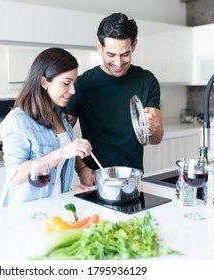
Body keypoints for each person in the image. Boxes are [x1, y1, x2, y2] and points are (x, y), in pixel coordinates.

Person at [67, 12, 164, 186]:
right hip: (94, 179)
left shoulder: (147, 81)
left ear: (134, 45)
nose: (118, 63)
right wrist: (81, 168)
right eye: (111, 55)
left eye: (125, 54)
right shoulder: (82, 84)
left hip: (133, 179)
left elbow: (156, 138)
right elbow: (62, 137)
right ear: (99, 46)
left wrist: (152, 129)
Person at [0, 47, 92, 207]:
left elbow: (58, 168)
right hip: (25, 210)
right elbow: (16, 174)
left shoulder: (59, 114)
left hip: (54, 206)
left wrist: (78, 177)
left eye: (74, 83)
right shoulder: (18, 119)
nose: (73, 90)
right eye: (66, 83)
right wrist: (63, 152)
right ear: (44, 82)